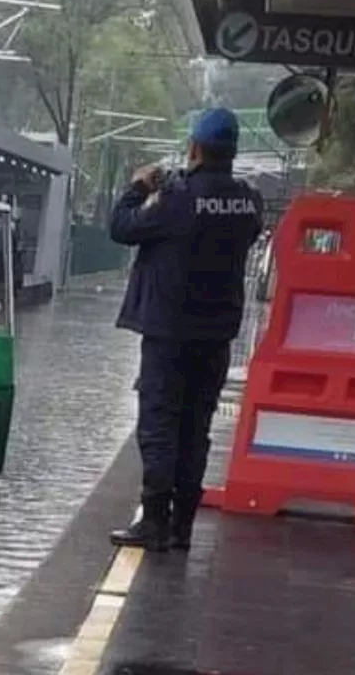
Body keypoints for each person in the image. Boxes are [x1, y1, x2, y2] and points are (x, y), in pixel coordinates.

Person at [108, 108, 263, 553]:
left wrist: (139, 186)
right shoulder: (248, 202)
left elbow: (122, 228)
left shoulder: (177, 200)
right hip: (216, 335)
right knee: (196, 427)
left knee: (159, 423)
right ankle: (182, 527)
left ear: (194, 148)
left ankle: (153, 521)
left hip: (168, 331)